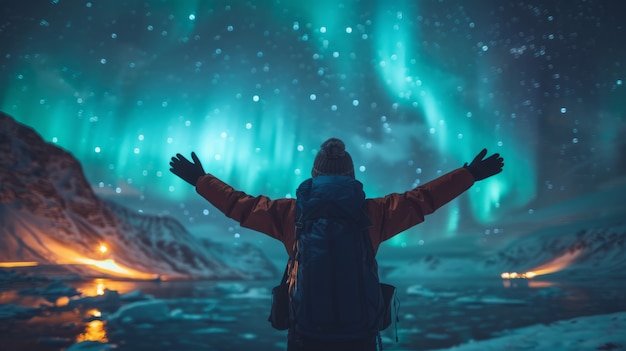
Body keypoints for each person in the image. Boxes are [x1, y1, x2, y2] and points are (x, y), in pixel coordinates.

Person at [169, 138, 504, 350]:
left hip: (305, 331)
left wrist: (202, 180)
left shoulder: (291, 214)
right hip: (359, 332)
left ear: (315, 174)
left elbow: (239, 206)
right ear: (351, 176)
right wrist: (468, 175)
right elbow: (422, 200)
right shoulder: (374, 212)